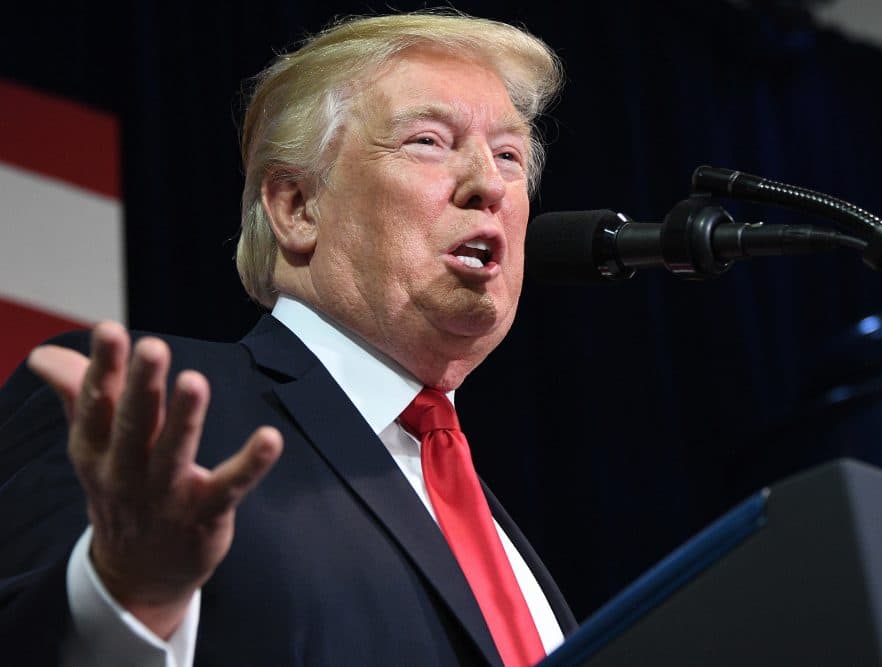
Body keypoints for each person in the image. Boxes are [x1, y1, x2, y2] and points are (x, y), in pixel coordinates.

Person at [0, 10, 575, 666]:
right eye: (428, 141)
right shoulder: (149, 414)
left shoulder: (495, 525)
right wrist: (126, 598)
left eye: (510, 156)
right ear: (298, 206)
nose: (489, 186)